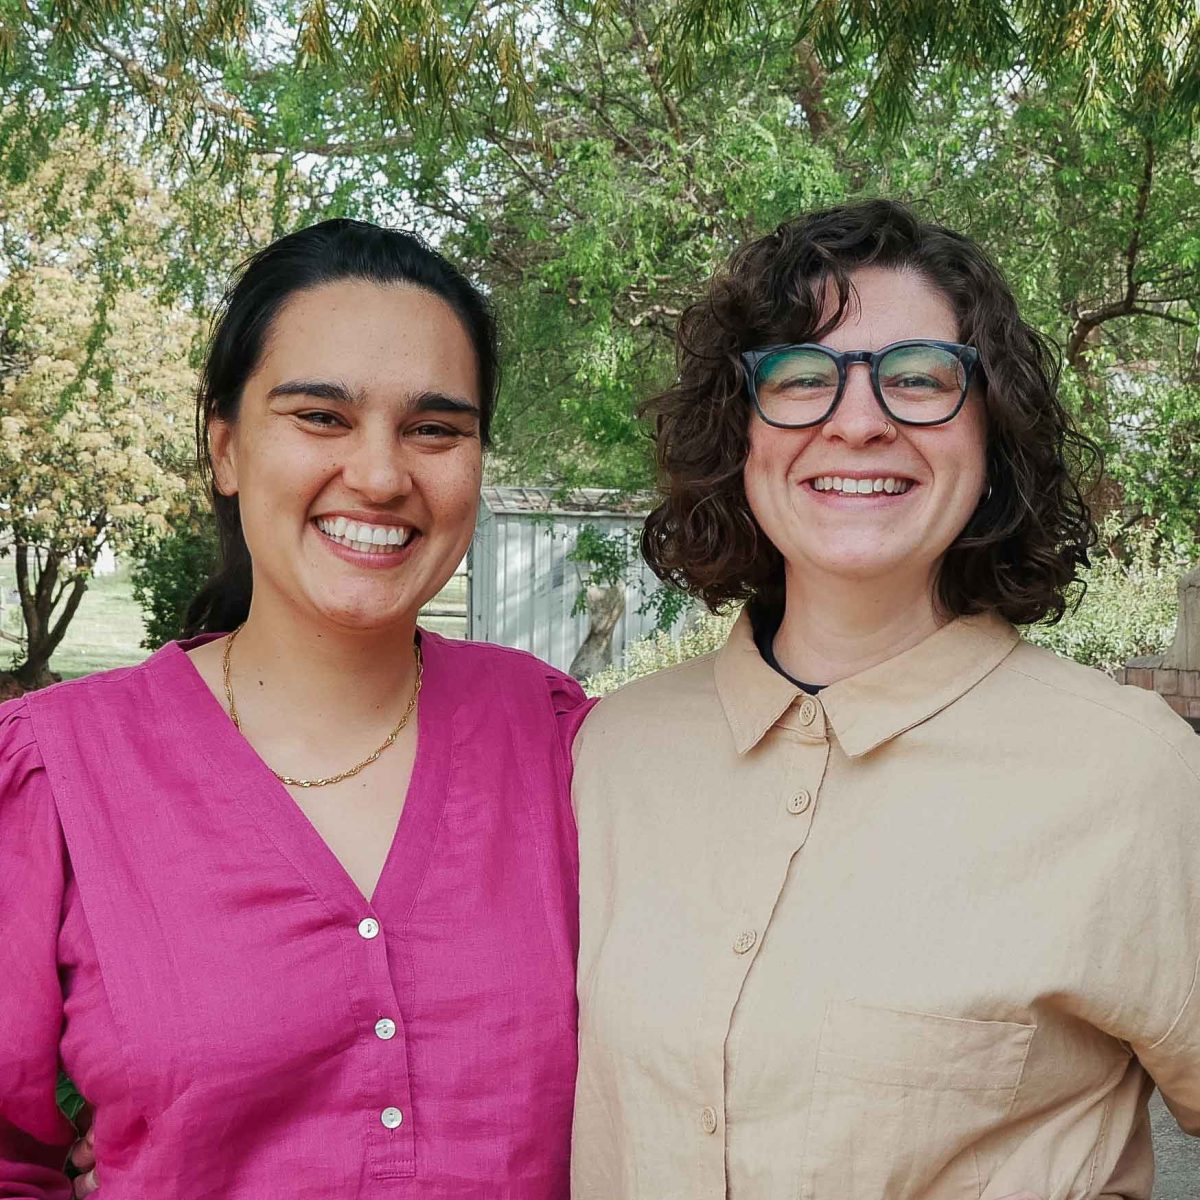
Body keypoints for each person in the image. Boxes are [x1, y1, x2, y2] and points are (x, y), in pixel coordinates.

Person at [569, 200, 1200, 1198]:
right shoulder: (611, 754)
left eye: (917, 380)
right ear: (740, 433)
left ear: (993, 430)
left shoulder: (1134, 775)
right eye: (801, 378)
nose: (857, 422)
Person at [0, 220, 587, 1198]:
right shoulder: (60, 771)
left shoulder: (559, 742)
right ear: (225, 447)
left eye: (435, 428)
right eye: (321, 416)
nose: (382, 474)